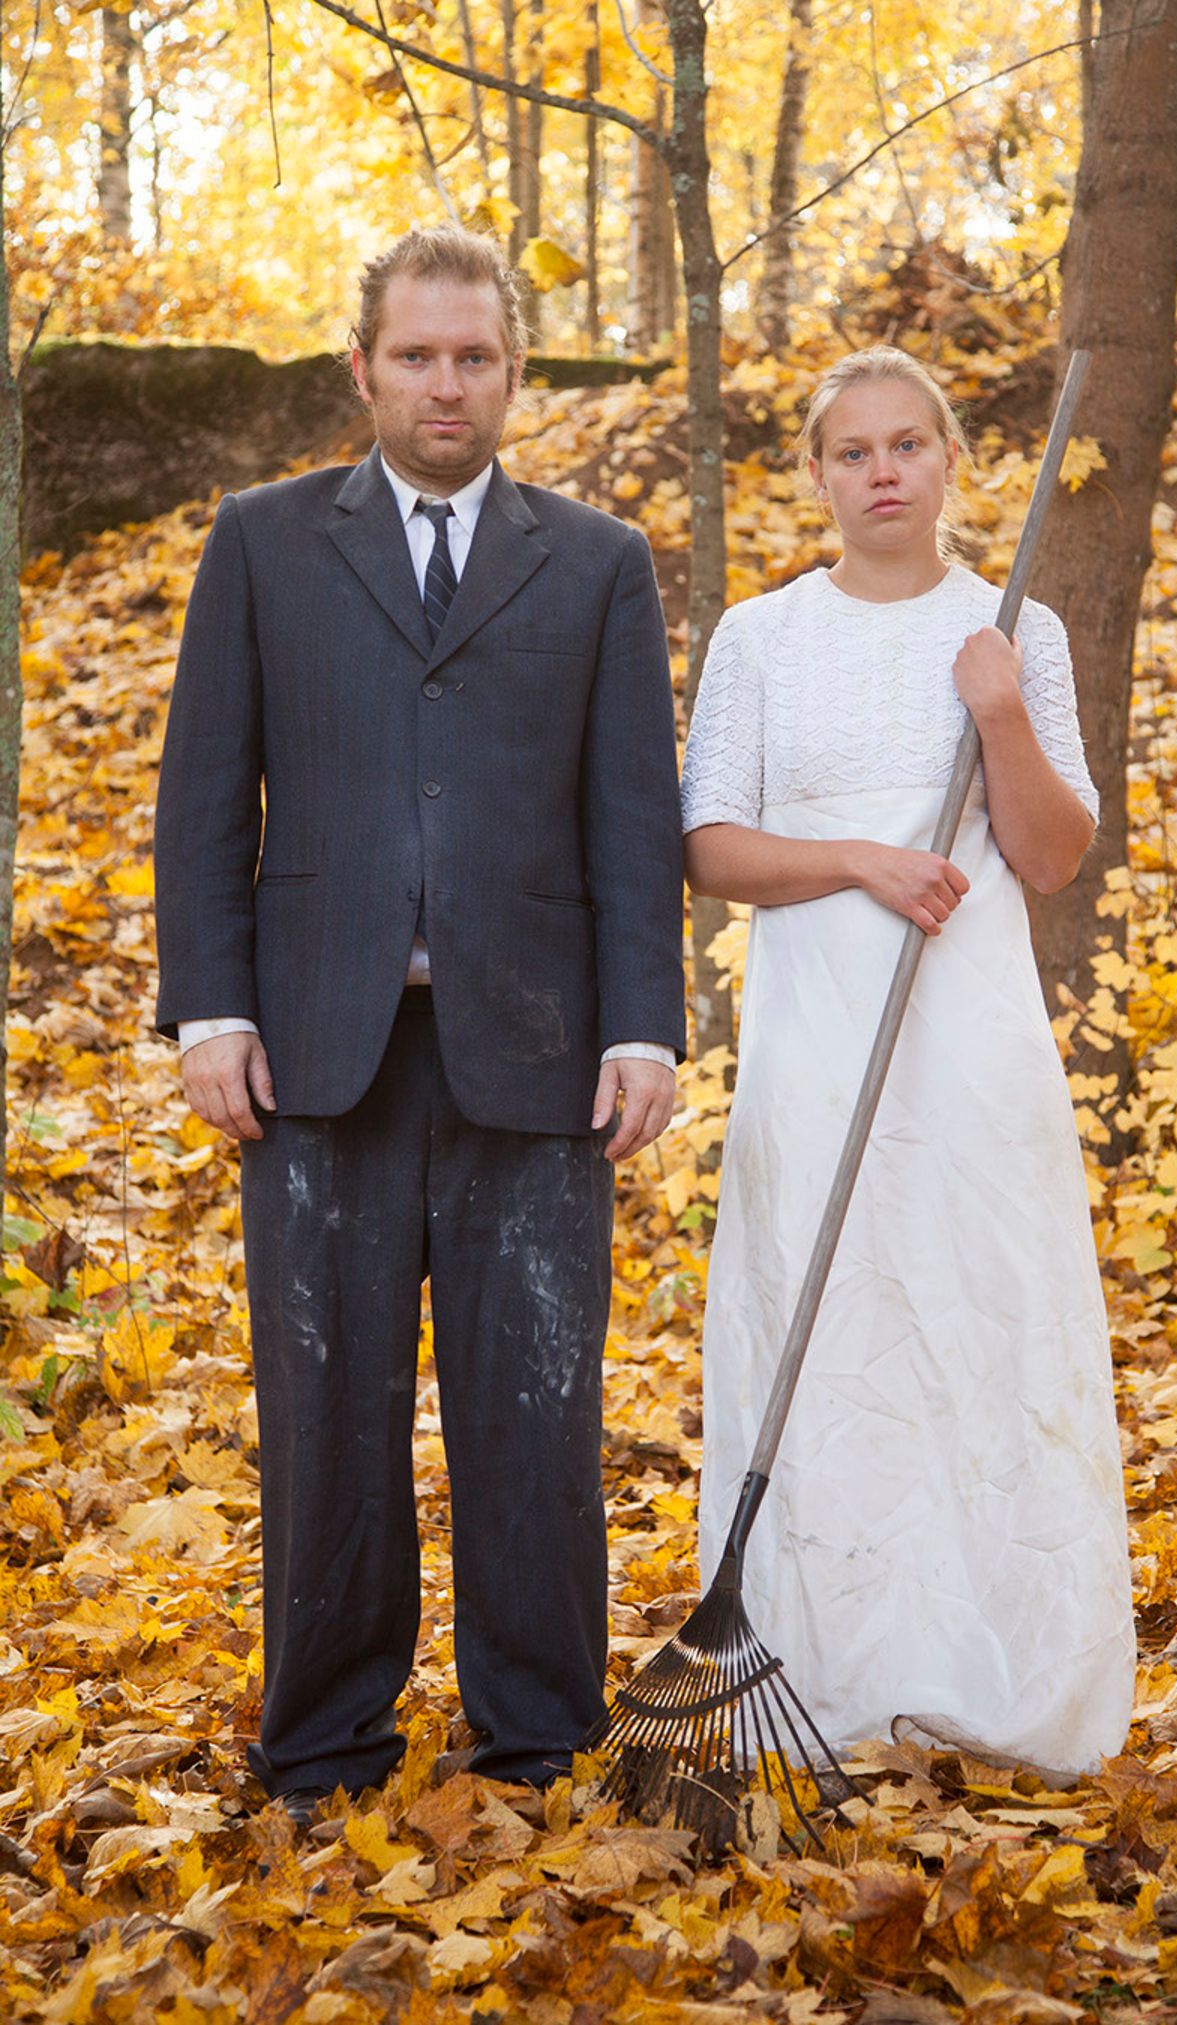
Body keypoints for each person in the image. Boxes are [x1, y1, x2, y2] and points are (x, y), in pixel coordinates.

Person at [154, 225, 686, 1818]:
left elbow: (631, 818)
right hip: (316, 1054)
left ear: (515, 373)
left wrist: (643, 1028)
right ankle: (323, 1740)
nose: (445, 383)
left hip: (537, 1056)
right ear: (363, 367)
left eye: (475, 357)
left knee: (535, 1407)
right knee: (327, 1409)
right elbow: (201, 800)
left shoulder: (592, 561)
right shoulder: (260, 542)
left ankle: (535, 1732)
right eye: (416, 355)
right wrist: (209, 1007)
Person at [680, 347, 1135, 1776]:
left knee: (976, 1315)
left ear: (948, 462)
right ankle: (824, 1669)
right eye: (851, 450)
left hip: (970, 1050)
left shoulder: (1021, 632)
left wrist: (995, 706)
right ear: (815, 476)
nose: (881, 470)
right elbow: (710, 849)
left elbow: (1052, 855)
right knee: (828, 1328)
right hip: (818, 1048)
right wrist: (861, 861)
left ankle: (1001, 1675)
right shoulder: (760, 638)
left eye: (907, 444)